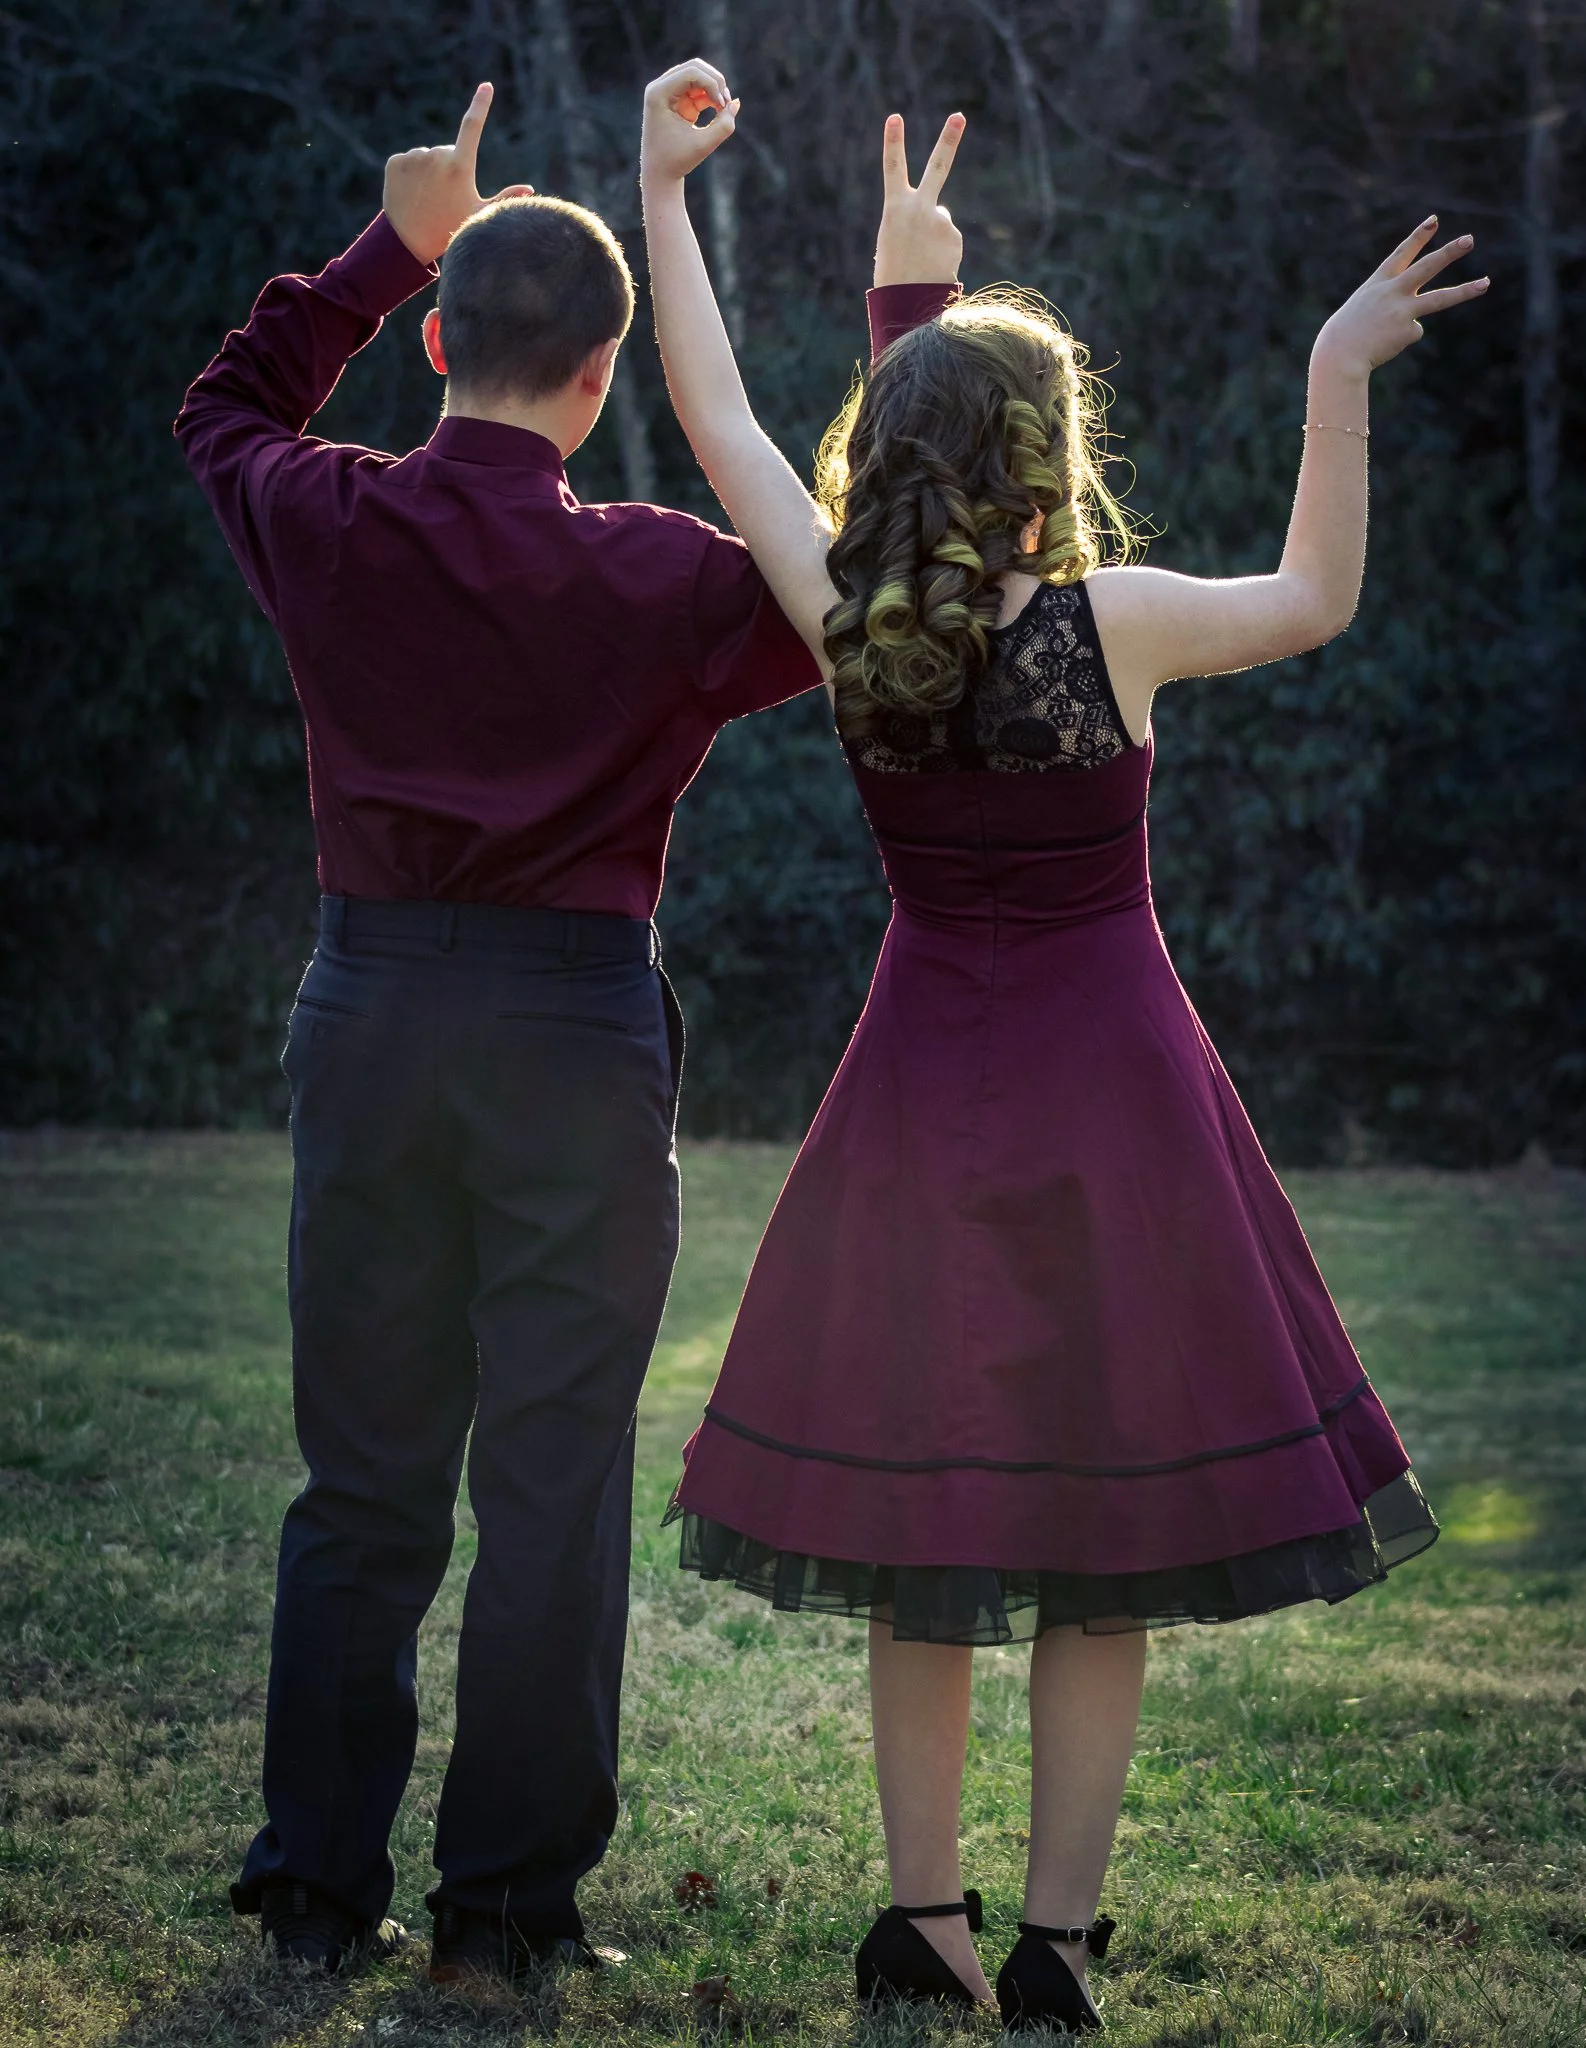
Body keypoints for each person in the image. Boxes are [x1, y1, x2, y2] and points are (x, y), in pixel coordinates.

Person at [640, 59, 1489, 2032]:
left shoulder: (853, 614)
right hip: (1119, 1101)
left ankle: (919, 1922)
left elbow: (717, 417)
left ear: (898, 450)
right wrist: (1331, 376)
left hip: (918, 1091)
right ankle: (1055, 1945)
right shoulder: (1111, 620)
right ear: (1051, 453)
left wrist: (675, 202)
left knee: (921, 1529)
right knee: (1101, 1533)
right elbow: (1318, 593)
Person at [172, 79, 920, 1986]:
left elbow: (224, 410)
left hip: (370, 1010)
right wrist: (900, 335)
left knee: (361, 1474)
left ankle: (316, 1886)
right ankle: (502, 1911)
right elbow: (843, 580)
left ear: (437, 345)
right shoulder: (665, 573)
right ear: (599, 382)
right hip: (574, 1035)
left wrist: (388, 237)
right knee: (555, 1478)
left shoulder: (329, 516)